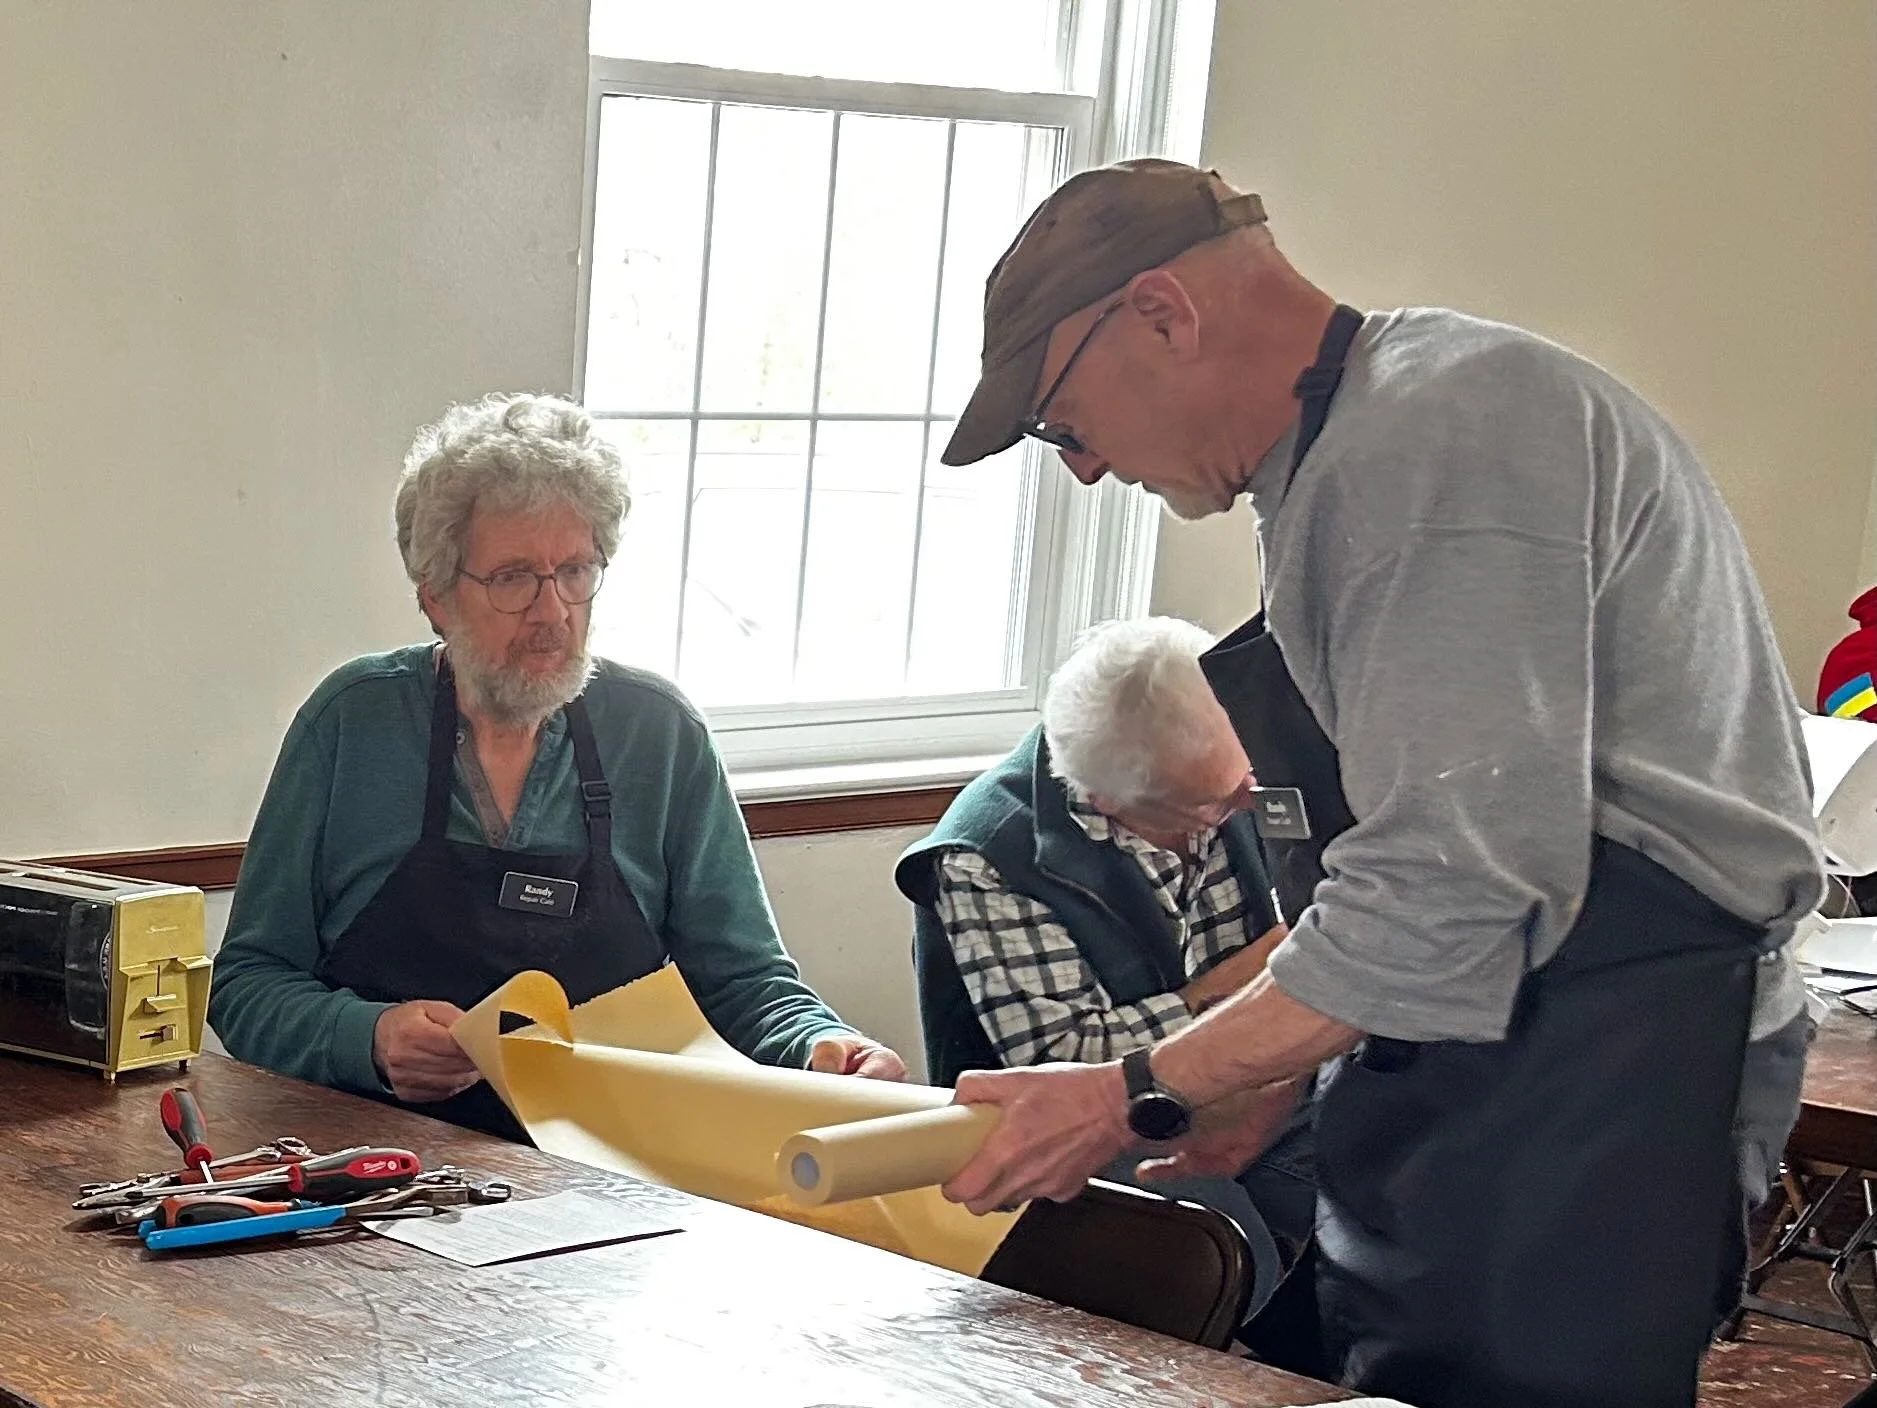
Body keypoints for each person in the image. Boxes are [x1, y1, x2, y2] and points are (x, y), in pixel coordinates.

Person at [928, 159, 1824, 1408]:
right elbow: (1390, 844)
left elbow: (1449, 884)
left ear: (1160, 315)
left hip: (1602, 1060)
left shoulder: (1432, 445)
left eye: (1058, 423)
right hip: (1489, 1052)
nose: (1076, 468)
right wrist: (1265, 1065)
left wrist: (1134, 1092)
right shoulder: (1340, 454)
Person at [211, 393, 904, 1140]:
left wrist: (819, 1046)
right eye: (512, 578)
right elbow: (246, 985)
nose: (553, 611)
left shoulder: (656, 733)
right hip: (378, 1170)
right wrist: (365, 1039)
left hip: (615, 1174)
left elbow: (743, 983)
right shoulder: (354, 723)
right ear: (435, 597)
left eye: (574, 571)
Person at [895, 615, 1314, 1321]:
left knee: (1409, 1179)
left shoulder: (1239, 765)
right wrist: (1256, 972)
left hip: (1257, 1083)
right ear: (1106, 802)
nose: (1249, 800)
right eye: (1212, 803)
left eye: (1245, 773)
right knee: (1219, 1254)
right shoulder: (985, 856)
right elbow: (1072, 1059)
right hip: (1076, 1142)